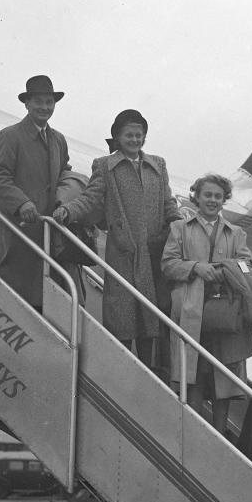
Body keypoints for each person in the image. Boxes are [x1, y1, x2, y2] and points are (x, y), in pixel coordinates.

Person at [53, 109, 181, 368]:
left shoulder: (158, 165)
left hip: (153, 252)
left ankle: (150, 375)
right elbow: (91, 199)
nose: (134, 139)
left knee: (151, 319)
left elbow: (168, 202)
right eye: (129, 135)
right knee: (122, 317)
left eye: (139, 134)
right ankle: (120, 371)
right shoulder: (105, 165)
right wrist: (68, 211)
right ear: (118, 137)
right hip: (122, 253)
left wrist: (179, 225)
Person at [161, 174, 252, 434]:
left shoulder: (236, 234)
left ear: (224, 200)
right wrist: (196, 268)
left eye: (218, 196)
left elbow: (248, 267)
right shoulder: (180, 229)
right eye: (207, 195)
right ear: (197, 197)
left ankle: (220, 435)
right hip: (192, 311)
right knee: (193, 375)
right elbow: (168, 265)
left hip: (224, 314)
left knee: (222, 378)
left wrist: (227, 270)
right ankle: (192, 432)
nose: (212, 201)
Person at [0, 75, 73, 311]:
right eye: (39, 101)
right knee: (15, 296)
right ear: (27, 104)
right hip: (20, 229)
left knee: (47, 299)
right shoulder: (10, 135)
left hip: (49, 229)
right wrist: (21, 203)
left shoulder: (58, 140)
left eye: (49, 102)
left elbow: (64, 172)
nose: (45, 107)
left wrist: (67, 201)